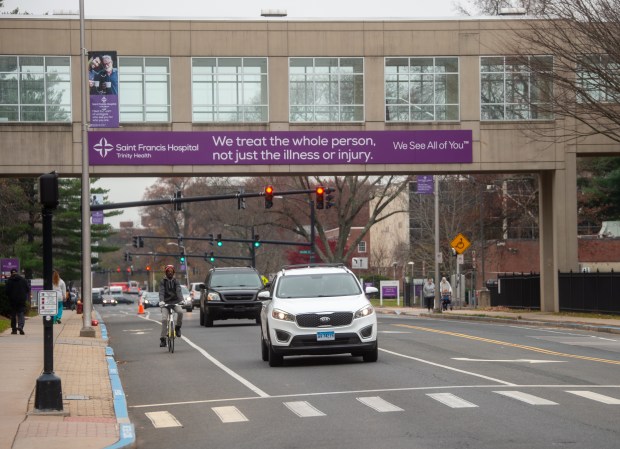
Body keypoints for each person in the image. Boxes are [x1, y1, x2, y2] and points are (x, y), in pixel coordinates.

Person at [158, 265, 184, 347]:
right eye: (168, 271)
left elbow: (178, 291)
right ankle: (163, 339)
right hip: (165, 303)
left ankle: (178, 328)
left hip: (175, 302)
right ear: (166, 272)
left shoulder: (176, 281)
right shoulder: (163, 281)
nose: (170, 273)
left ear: (173, 272)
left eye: (171, 271)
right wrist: (161, 301)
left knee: (180, 312)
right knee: (164, 319)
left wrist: (181, 300)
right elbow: (161, 292)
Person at [6, 269, 30, 335]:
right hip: (21, 300)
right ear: (17, 273)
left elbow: (7, 291)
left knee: (13, 315)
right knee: (21, 313)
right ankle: (20, 326)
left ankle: (14, 330)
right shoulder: (23, 280)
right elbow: (28, 289)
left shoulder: (9, 281)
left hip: (12, 300)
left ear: (11, 273)